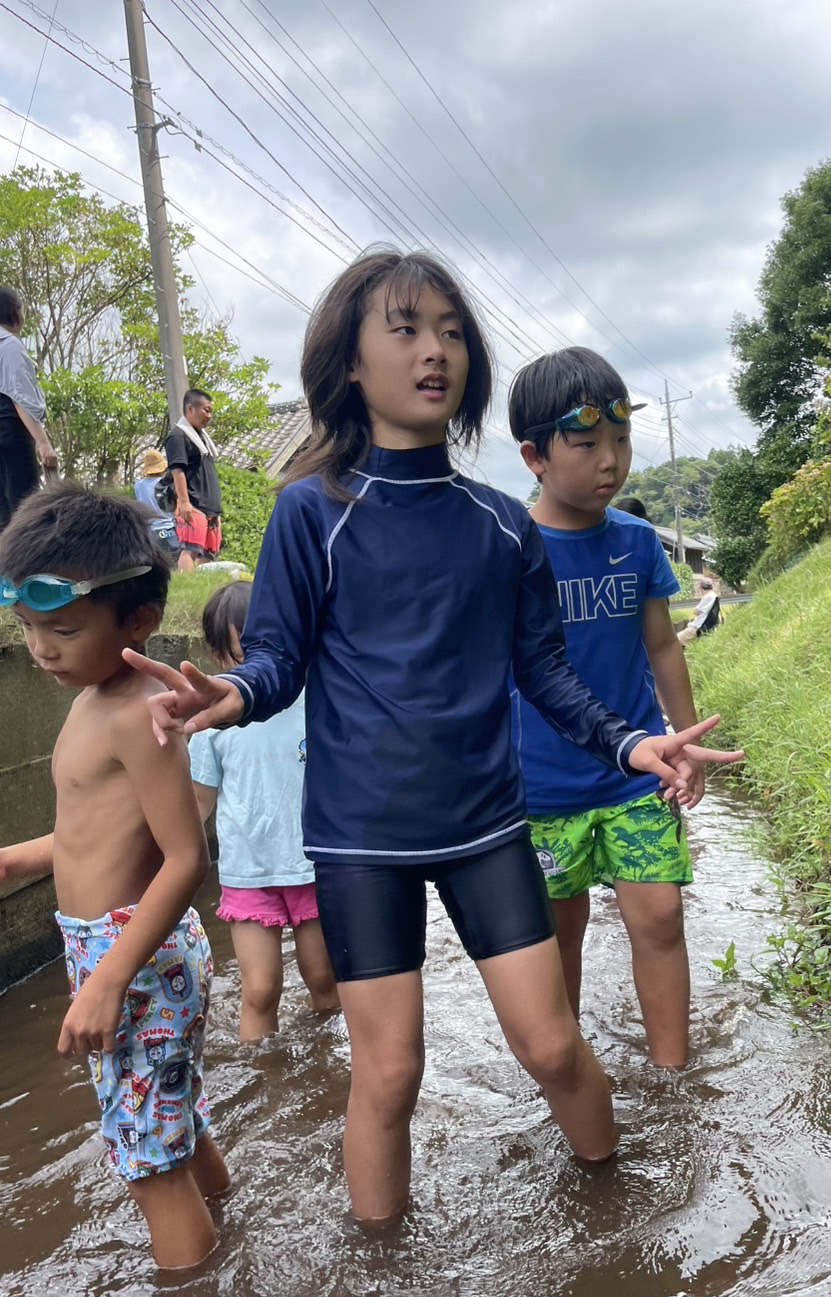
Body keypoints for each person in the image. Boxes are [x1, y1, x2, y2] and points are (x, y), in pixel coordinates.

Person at [124, 247, 743, 1227]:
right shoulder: (308, 514)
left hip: (487, 824)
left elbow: (544, 673)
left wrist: (634, 744)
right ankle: (379, 1281)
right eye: (405, 328)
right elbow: (278, 658)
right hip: (361, 837)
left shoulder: (502, 527)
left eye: (451, 331)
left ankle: (616, 1214)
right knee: (391, 1070)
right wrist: (228, 695)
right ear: (351, 363)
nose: (435, 350)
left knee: (548, 1044)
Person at [0, 486, 230, 1269]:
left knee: (149, 1163)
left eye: (61, 628)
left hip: (134, 957)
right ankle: (232, 1229)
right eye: (26, 628)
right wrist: (18, 859)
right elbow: (90, 834)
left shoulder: (140, 710)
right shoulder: (90, 695)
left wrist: (105, 982)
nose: (41, 649)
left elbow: (184, 857)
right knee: (174, 1118)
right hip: (121, 952)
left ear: (135, 621)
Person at [508, 347, 722, 1069]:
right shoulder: (509, 549)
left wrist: (683, 741)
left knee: (660, 917)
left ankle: (673, 1074)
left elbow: (663, 647)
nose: (612, 461)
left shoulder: (634, 544)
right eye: (589, 443)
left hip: (637, 771)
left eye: (622, 440)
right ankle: (569, 1075)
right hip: (541, 788)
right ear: (535, 455)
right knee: (557, 932)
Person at [190, 579, 339, 1040]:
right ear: (218, 658)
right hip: (248, 872)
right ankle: (266, 1079)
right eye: (239, 655)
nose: (254, 666)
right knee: (259, 989)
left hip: (310, 866)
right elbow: (197, 806)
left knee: (323, 977)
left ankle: (335, 1070)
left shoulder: (315, 699)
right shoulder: (212, 726)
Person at [0, 287, 57, 532]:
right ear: (14, 312)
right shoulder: (10, 345)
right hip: (12, 433)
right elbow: (19, 398)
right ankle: (26, 567)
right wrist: (43, 443)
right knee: (26, 509)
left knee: (4, 513)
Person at [164, 389, 222, 571]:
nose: (209, 416)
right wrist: (184, 502)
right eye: (206, 410)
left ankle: (203, 588)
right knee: (191, 549)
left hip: (210, 506)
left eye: (211, 411)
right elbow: (177, 470)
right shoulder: (178, 436)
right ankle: (187, 584)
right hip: (192, 504)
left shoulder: (202, 438)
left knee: (208, 552)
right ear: (190, 409)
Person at [678, 576, 722, 645]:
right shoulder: (713, 595)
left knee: (676, 639)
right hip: (704, 627)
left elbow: (696, 612)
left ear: (701, 588)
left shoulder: (708, 597)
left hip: (697, 628)